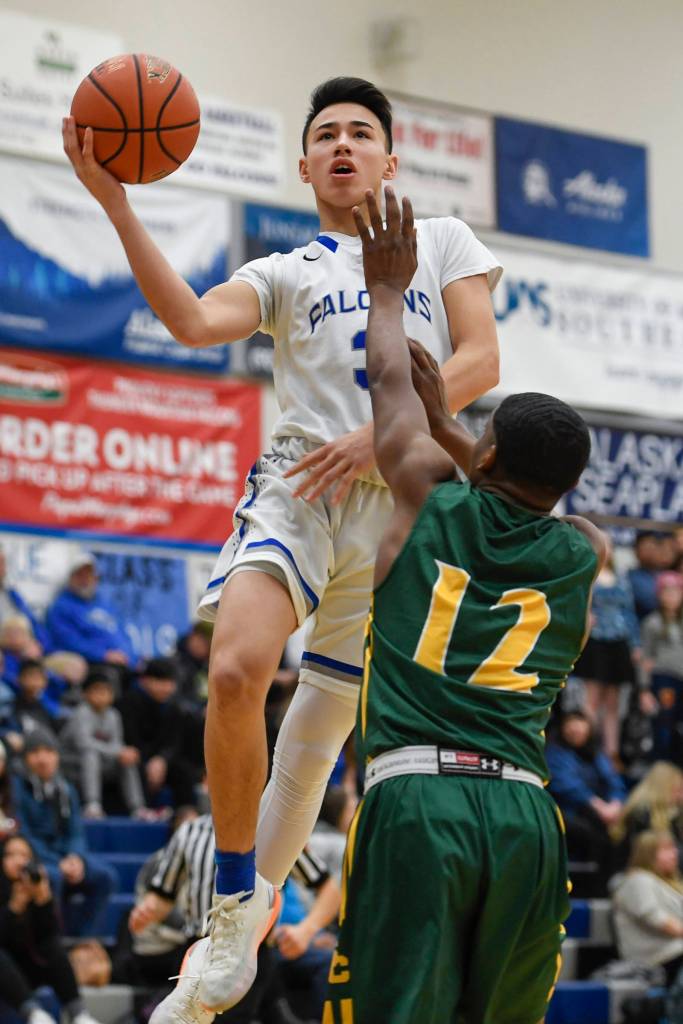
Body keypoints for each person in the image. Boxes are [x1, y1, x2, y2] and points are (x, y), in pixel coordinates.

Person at [63, 75, 502, 1012]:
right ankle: (230, 899)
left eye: (360, 133)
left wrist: (388, 432)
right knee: (234, 673)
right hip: (302, 484)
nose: (343, 145)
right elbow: (187, 323)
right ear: (303, 165)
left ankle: (246, 930)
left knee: (316, 742)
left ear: (391, 159)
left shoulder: (441, 243)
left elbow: (480, 360)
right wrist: (115, 201)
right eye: (326, 136)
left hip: (399, 504)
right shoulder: (285, 268)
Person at [319, 188, 605, 1024]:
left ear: (483, 454)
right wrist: (458, 430)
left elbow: (385, 384)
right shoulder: (584, 553)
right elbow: (531, 496)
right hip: (524, 812)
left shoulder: (427, 499)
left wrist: (382, 292)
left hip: (418, 802)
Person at [129, 812, 336, 1024]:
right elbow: (163, 895)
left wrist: (306, 930)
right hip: (195, 950)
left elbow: (329, 888)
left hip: (251, 949)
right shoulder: (188, 832)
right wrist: (147, 910)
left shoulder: (273, 829)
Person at [11, 730, 118, 937]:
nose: (42, 758)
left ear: (57, 756)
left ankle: (85, 940)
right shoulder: (17, 789)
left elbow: (76, 832)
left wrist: (74, 857)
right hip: (37, 857)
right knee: (54, 876)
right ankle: (54, 940)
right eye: (35, 752)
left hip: (64, 856)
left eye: (48, 751)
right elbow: (24, 834)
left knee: (106, 876)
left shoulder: (66, 789)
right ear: (25, 758)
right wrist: (57, 862)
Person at [0, 833, 102, 1024]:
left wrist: (42, 902)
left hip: (29, 968)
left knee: (53, 947)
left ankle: (79, 1014)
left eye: (24, 855)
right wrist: (13, 908)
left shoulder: (37, 885)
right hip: (5, 971)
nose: (18, 861)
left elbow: (49, 935)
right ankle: (34, 1015)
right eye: (10, 855)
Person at [572, 532, 640, 761]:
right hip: (596, 639)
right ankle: (591, 745)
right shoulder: (588, 573)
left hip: (618, 639)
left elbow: (629, 612)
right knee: (591, 697)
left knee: (613, 700)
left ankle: (611, 751)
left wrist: (635, 643)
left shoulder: (621, 577)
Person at [546, 710, 625, 889]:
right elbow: (568, 787)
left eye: (580, 727)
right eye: (571, 727)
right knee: (590, 833)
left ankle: (613, 883)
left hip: (602, 813)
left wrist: (615, 803)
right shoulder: (554, 752)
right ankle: (593, 887)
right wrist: (599, 807)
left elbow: (613, 781)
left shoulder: (597, 753)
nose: (576, 731)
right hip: (567, 811)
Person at [59, 669, 145, 818]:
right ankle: (92, 804)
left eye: (106, 691)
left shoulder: (114, 715)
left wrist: (123, 752)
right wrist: (118, 751)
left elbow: (117, 744)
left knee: (126, 759)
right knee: (91, 754)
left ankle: (138, 808)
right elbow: (83, 743)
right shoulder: (81, 712)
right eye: (96, 691)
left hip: (100, 764)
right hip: (71, 764)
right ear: (85, 694)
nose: (101, 695)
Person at [118, 658, 198, 808]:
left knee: (183, 771)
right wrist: (148, 760)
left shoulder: (174, 707)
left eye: (170, 683)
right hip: (136, 757)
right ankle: (141, 811)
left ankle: (186, 813)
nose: (166, 688)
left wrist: (162, 759)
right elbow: (130, 738)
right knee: (133, 764)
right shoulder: (129, 702)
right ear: (145, 681)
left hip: (161, 761)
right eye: (160, 682)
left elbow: (174, 742)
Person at [613, 830, 683, 987]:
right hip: (656, 958)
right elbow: (655, 917)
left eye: (673, 848)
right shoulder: (638, 880)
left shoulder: (669, 883)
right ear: (648, 854)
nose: (674, 853)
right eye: (666, 850)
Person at [45, 552, 135, 670]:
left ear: (96, 578)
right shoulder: (61, 607)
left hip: (121, 661)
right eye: (80, 575)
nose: (85, 580)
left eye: (89, 575)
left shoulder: (106, 605)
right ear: (70, 578)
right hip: (94, 663)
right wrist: (103, 655)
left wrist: (132, 658)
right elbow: (70, 642)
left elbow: (123, 635)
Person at [640, 571, 683, 761]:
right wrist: (644, 689)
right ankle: (661, 763)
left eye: (676, 592)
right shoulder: (652, 622)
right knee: (664, 723)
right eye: (667, 592)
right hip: (664, 679)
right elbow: (645, 657)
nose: (671, 597)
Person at [612, 762, 683, 870]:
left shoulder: (670, 814)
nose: (680, 796)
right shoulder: (641, 814)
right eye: (678, 790)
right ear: (663, 789)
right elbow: (646, 856)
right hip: (637, 872)